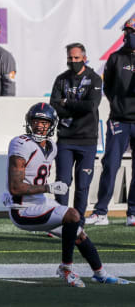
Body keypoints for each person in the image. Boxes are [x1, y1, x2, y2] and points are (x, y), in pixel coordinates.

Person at [4, 103, 128, 287]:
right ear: (29, 122)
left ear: (52, 125)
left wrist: (47, 191)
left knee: (78, 231)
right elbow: (15, 188)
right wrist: (49, 188)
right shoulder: (21, 144)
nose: (39, 126)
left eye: (44, 122)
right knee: (72, 214)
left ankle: (100, 273)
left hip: (40, 202)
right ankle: (66, 267)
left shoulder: (52, 147)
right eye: (36, 121)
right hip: (22, 209)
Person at [85, 18, 135, 227]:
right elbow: (109, 88)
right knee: (111, 165)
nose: (129, 35)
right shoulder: (115, 58)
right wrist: (119, 105)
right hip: (120, 120)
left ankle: (132, 212)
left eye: (132, 32)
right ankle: (101, 211)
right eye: (128, 32)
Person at [49, 43, 102, 225]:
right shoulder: (61, 79)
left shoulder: (94, 79)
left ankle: (77, 224)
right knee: (62, 183)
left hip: (88, 140)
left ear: (84, 58)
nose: (73, 61)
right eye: (70, 58)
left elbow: (91, 106)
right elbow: (54, 107)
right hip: (65, 139)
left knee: (83, 185)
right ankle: (60, 221)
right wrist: (71, 106)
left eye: (76, 58)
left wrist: (67, 102)